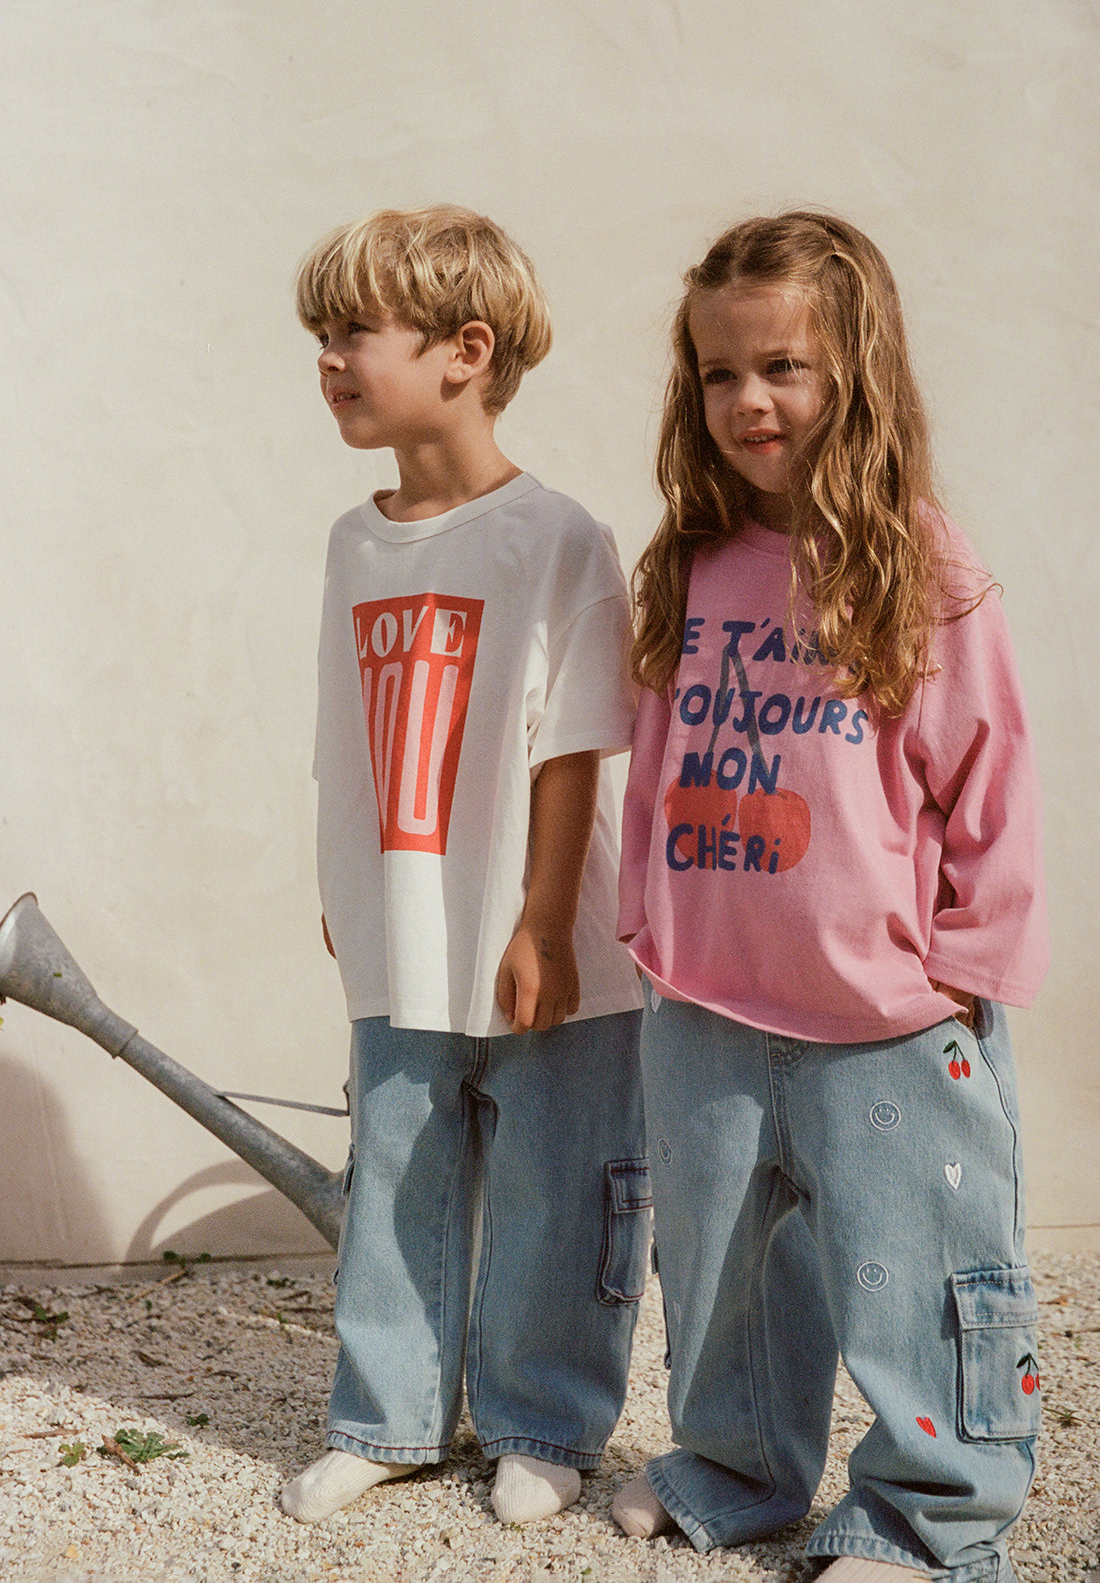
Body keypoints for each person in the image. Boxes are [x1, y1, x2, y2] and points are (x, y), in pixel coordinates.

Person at [612, 210, 1048, 1581]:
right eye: (720, 373)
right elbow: (654, 763)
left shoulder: (924, 568)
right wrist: (645, 925)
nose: (748, 400)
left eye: (783, 368)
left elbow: (991, 781)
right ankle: (739, 1469)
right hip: (708, 1008)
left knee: (923, 1276)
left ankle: (932, 1517)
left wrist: (965, 966)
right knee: (727, 1273)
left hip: (890, 1018)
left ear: (855, 370)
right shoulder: (687, 564)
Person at [279, 206, 648, 1528]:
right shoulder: (351, 540)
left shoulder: (555, 536)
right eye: (318, 335)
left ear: (463, 350)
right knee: (401, 1168)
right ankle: (387, 1416)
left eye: (351, 333)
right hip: (407, 917)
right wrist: (346, 883)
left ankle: (545, 1422)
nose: (326, 358)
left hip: (548, 936)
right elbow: (342, 723)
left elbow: (573, 745)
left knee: (558, 1181)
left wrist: (544, 922)